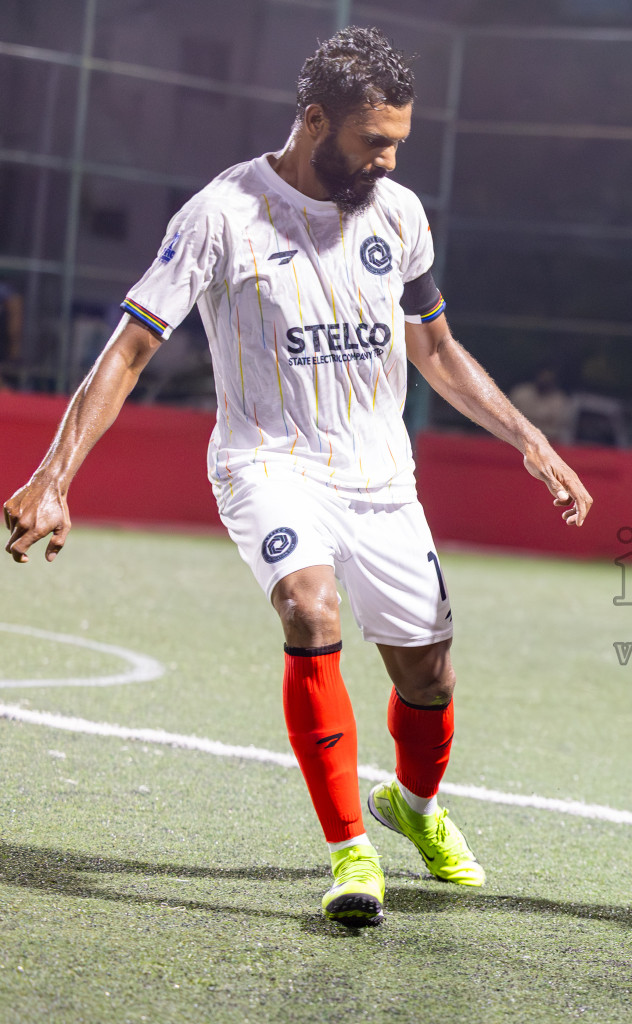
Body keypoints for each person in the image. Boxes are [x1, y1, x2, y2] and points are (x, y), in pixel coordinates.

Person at [2, 28, 593, 926]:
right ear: (314, 119)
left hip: (381, 477)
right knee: (310, 608)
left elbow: (432, 344)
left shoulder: (397, 213)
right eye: (373, 142)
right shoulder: (221, 214)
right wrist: (54, 474)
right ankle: (351, 852)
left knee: (428, 674)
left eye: (399, 141)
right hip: (266, 463)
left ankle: (415, 809)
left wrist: (528, 440)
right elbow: (128, 350)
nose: (388, 160)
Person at [508, 366, 575, 445]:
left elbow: (560, 429)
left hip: (546, 443)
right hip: (516, 438)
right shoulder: (521, 393)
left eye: (548, 379)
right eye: (542, 377)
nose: (544, 381)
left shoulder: (560, 401)